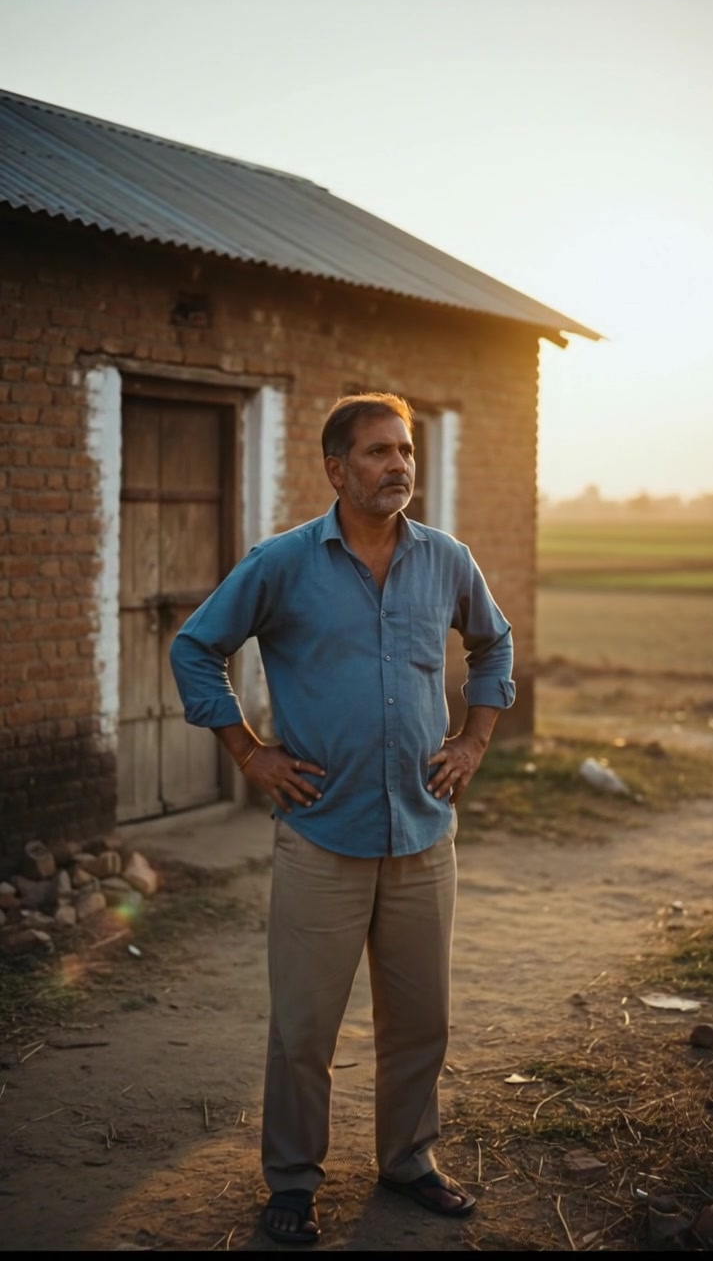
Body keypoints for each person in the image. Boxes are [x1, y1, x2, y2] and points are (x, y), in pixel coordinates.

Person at [169, 392, 515, 1244]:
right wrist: (249, 754)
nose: (398, 465)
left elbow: (494, 642)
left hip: (423, 833)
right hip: (322, 833)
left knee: (420, 1022)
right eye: (377, 452)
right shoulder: (283, 563)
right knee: (304, 1030)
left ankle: (409, 1161)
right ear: (336, 469)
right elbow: (195, 647)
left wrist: (473, 741)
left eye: (405, 450)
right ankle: (292, 1182)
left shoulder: (446, 560)